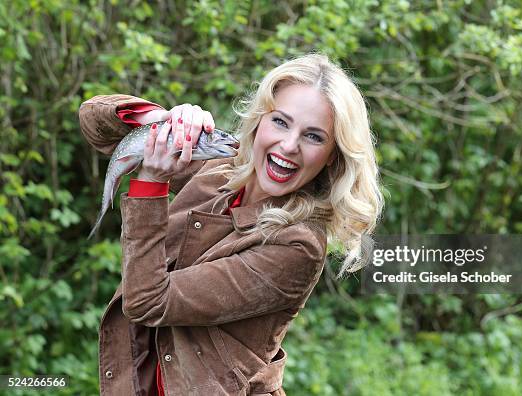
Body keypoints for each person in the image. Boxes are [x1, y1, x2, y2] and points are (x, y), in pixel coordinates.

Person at [79, 53, 384, 396]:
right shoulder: (221, 167)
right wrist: (165, 119)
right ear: (260, 120)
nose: (289, 145)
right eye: (281, 122)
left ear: (332, 156)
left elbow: (149, 301)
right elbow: (96, 124)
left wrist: (151, 183)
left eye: (313, 137)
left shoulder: (299, 246)